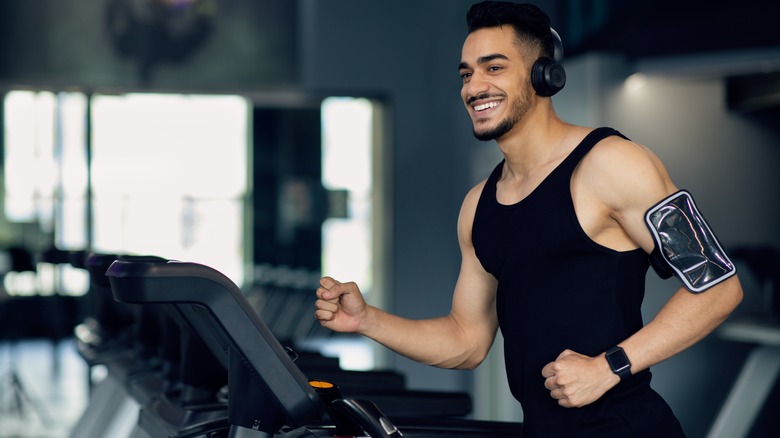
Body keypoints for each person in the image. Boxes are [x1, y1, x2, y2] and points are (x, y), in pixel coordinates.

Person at [314, 1, 744, 436]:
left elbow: (718, 286)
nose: (474, 87)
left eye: (493, 68)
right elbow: (466, 340)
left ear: (544, 74)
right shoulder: (478, 205)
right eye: (466, 74)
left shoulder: (611, 164)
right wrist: (367, 320)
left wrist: (609, 367)